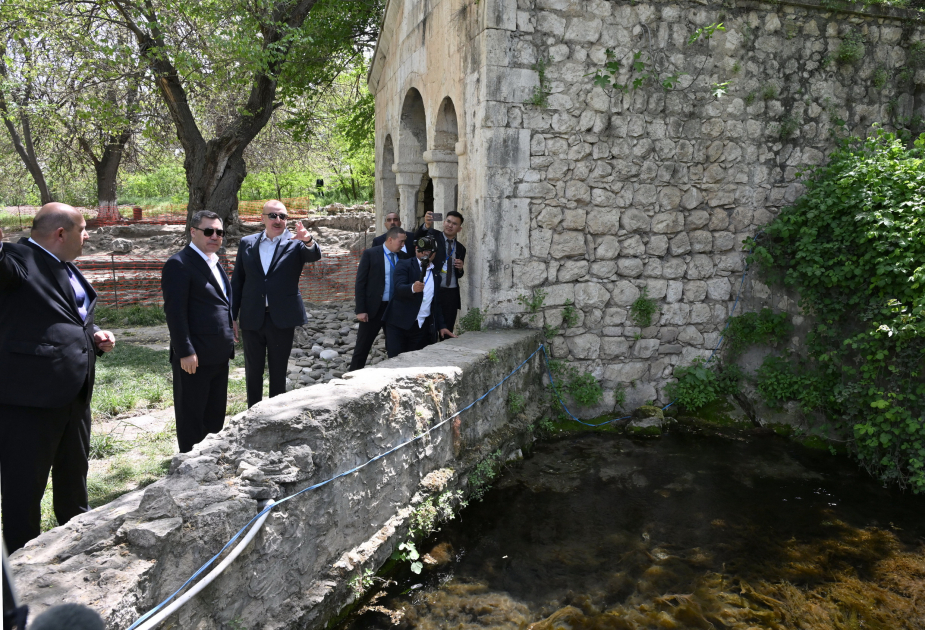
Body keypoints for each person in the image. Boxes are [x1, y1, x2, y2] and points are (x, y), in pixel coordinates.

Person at [0, 203, 116, 553]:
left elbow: (69, 317)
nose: (88, 236)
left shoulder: (67, 267)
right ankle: (22, 561)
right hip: (30, 399)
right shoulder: (17, 258)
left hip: (75, 393)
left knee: (74, 480)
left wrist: (94, 334)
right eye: (83, 229)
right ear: (61, 233)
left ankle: (76, 547)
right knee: (24, 488)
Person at [231, 200, 321, 408]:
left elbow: (314, 254)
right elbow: (237, 282)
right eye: (273, 215)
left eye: (283, 216)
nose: (278, 220)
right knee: (253, 371)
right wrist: (232, 316)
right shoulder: (247, 242)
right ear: (262, 218)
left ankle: (275, 415)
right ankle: (253, 413)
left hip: (281, 317)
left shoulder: (295, 242)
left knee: (278, 371)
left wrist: (308, 239)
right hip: (252, 316)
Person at [161, 210, 235, 453]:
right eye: (209, 231)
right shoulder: (179, 264)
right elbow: (175, 312)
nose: (215, 236)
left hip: (219, 355)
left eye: (219, 232)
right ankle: (189, 464)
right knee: (192, 416)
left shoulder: (214, 262)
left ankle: (211, 461)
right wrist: (184, 351)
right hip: (194, 357)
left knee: (215, 415)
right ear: (193, 232)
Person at [382, 236, 456, 357]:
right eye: (424, 250)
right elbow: (399, 287)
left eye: (430, 251)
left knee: (416, 361)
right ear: (416, 248)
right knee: (395, 360)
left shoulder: (436, 275)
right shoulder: (404, 264)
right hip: (399, 325)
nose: (426, 253)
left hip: (421, 327)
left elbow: (436, 303)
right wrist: (412, 288)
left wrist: (442, 326)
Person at [348, 227, 407, 371]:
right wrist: (361, 310)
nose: (403, 245)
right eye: (401, 241)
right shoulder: (370, 254)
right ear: (390, 239)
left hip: (394, 308)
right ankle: (353, 375)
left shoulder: (403, 257)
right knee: (363, 346)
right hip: (373, 308)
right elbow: (360, 283)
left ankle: (395, 374)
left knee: (395, 346)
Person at [415, 210, 466, 334]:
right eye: (448, 221)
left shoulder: (461, 248)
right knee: (430, 327)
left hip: (451, 292)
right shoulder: (433, 236)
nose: (450, 225)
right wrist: (426, 225)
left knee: (447, 328)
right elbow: (417, 237)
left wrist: (460, 268)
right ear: (443, 222)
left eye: (454, 224)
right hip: (434, 288)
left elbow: (459, 274)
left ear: (459, 229)